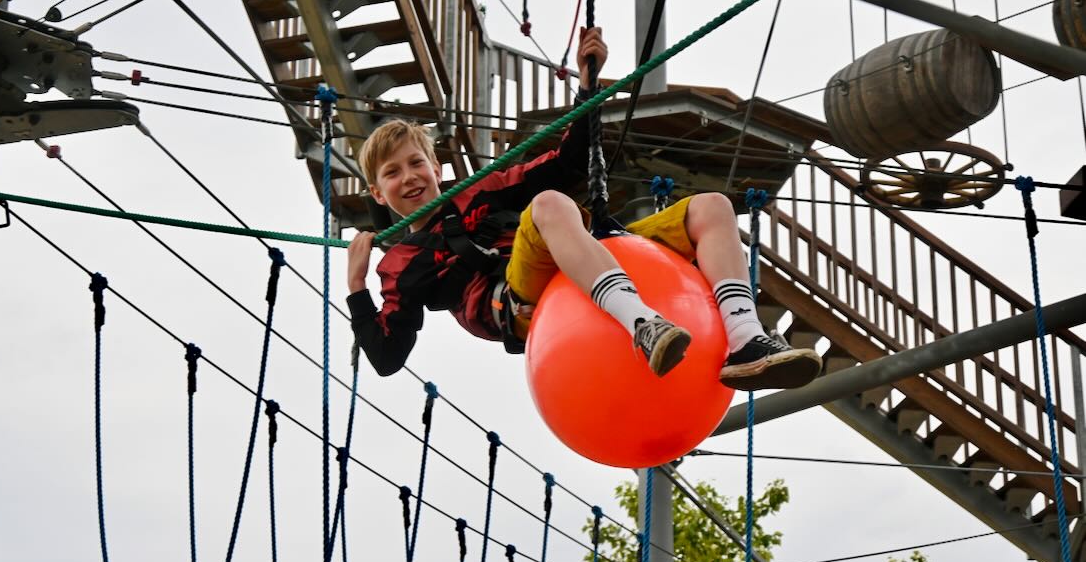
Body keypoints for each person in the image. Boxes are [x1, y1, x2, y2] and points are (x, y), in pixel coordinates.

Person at [346, 28, 822, 390]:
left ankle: (745, 338)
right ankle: (642, 324)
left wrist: (588, 83)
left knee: (712, 208)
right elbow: (386, 357)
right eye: (392, 173)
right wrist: (356, 286)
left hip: (584, 254)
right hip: (512, 295)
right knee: (550, 205)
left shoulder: (478, 191)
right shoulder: (400, 265)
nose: (408, 178)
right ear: (377, 193)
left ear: (435, 166)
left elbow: (566, 160)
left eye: (415, 164)